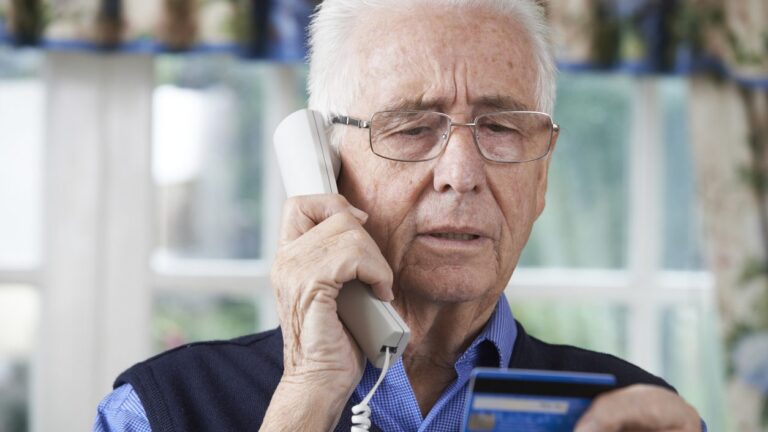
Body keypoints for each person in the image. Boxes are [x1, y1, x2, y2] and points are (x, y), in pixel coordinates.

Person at [94, 0, 704, 431]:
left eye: (500, 127)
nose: (461, 174)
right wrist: (308, 395)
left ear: (540, 177)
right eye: (412, 127)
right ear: (326, 170)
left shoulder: (636, 415)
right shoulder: (159, 410)